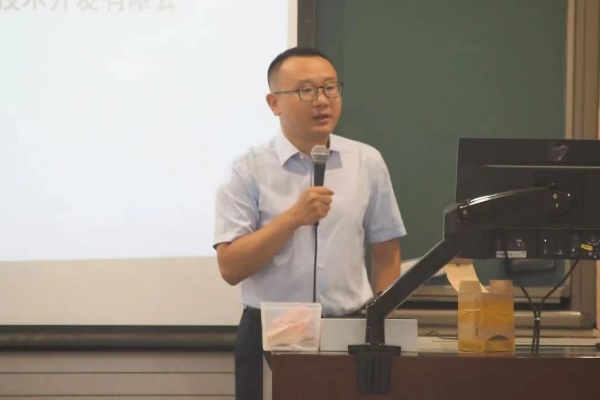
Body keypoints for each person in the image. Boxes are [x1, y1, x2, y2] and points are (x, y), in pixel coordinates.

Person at [213, 46, 407, 400]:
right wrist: (292, 218)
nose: (322, 100)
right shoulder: (246, 169)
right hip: (269, 331)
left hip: (352, 328)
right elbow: (230, 267)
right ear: (274, 103)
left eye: (330, 88)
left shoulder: (366, 161)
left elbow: (386, 251)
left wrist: (382, 322)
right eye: (306, 90)